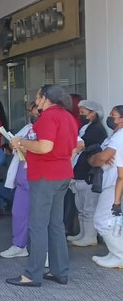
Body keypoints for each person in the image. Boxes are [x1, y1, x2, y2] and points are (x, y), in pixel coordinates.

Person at [6, 85, 79, 287]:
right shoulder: (69, 117)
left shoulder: (48, 117)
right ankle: (59, 271)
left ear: (45, 98)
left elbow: (45, 146)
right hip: (63, 174)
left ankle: (32, 274)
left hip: (44, 176)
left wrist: (22, 142)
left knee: (38, 225)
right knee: (56, 224)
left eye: (38, 97)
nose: (36, 101)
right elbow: (72, 147)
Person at [67, 100, 109, 247]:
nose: (81, 114)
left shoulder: (97, 129)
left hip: (88, 173)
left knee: (88, 207)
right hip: (79, 172)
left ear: (93, 113)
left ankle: (90, 236)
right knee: (81, 206)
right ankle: (83, 233)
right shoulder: (86, 127)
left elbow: (89, 149)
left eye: (84, 111)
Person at [0, 103, 39, 258]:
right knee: (19, 212)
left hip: (39, 178)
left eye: (34, 108)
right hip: (23, 177)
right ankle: (19, 245)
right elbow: (15, 141)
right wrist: (14, 144)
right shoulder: (28, 127)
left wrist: (24, 146)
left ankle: (46, 251)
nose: (31, 112)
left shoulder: (52, 127)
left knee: (41, 216)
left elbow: (77, 143)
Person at [87, 105, 123, 268]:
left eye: (113, 115)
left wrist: (97, 158)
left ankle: (119, 254)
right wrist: (97, 158)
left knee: (102, 220)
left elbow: (102, 157)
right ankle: (114, 252)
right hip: (110, 181)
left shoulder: (120, 136)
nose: (109, 117)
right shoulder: (114, 136)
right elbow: (98, 157)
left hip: (115, 183)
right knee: (111, 221)